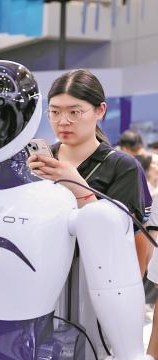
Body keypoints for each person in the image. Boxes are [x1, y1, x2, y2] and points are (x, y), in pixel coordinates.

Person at [28, 69, 152, 275]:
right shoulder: (41, 161)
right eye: (55, 112)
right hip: (41, 274)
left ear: (100, 110)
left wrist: (79, 188)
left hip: (96, 280)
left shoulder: (123, 167)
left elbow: (130, 242)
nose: (63, 121)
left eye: (74, 112)